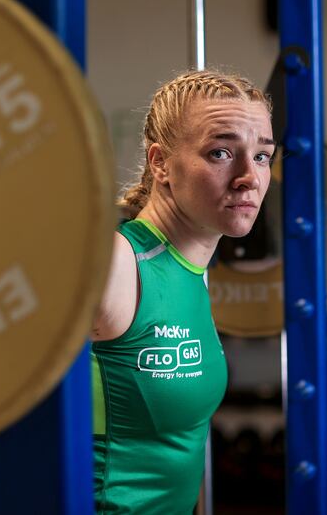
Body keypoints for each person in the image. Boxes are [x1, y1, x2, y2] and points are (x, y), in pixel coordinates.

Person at [90, 69, 275, 514]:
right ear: (160, 163)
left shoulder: (191, 267)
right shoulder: (119, 264)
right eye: (221, 152)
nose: (249, 177)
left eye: (263, 156)